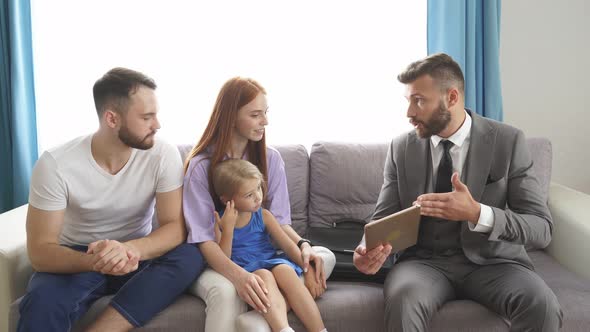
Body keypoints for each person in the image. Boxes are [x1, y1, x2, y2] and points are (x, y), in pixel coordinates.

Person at [353, 53, 563, 331]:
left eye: (419, 101)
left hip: (495, 263)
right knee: (404, 300)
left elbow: (541, 227)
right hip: (424, 264)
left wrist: (478, 213)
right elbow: (384, 218)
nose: (409, 113)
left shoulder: (508, 141)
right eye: (408, 101)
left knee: (543, 304)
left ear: (451, 98)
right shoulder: (401, 148)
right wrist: (366, 250)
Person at [18, 68, 205, 332]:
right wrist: (99, 261)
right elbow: (40, 251)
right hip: (77, 255)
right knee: (41, 303)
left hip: (136, 254)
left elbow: (175, 226)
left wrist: (130, 251)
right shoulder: (56, 164)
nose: (157, 125)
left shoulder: (163, 154)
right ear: (112, 119)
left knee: (190, 254)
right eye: (146, 117)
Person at [183, 77, 335, 332]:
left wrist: (304, 249)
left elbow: (280, 223)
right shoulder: (201, 166)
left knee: (323, 257)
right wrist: (240, 277)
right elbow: (204, 240)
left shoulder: (271, 159)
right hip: (222, 258)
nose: (265, 121)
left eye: (265, 113)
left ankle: (260, 315)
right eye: (255, 115)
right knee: (230, 289)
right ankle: (271, 309)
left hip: (264, 256)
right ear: (231, 116)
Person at [211, 159, 327, 332]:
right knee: (264, 275)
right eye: (249, 195)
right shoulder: (220, 221)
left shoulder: (263, 215)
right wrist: (227, 230)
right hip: (245, 270)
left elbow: (288, 246)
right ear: (227, 199)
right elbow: (223, 259)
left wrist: (307, 270)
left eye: (258, 188)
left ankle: (320, 330)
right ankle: (283, 329)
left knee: (285, 270)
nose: (258, 197)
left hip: (270, 259)